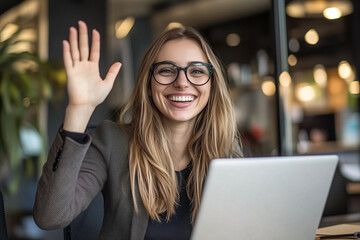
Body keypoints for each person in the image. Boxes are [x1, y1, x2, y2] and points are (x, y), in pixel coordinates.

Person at [33, 20, 242, 240]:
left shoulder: (226, 151)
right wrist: (79, 109)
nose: (182, 82)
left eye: (197, 71)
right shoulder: (113, 142)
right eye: (167, 70)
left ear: (212, 85)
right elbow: (50, 217)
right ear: (149, 85)